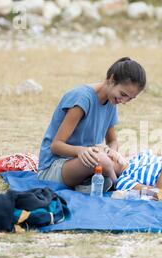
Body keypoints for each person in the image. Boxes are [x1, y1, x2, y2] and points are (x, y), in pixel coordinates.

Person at [37, 57, 146, 187]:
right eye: (123, 94)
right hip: (54, 166)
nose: (123, 101)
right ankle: (118, 185)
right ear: (111, 80)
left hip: (86, 162)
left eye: (130, 99)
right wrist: (81, 151)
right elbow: (56, 146)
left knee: (122, 160)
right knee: (103, 162)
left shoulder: (112, 101)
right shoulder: (82, 99)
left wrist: (112, 152)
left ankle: (127, 183)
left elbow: (112, 141)